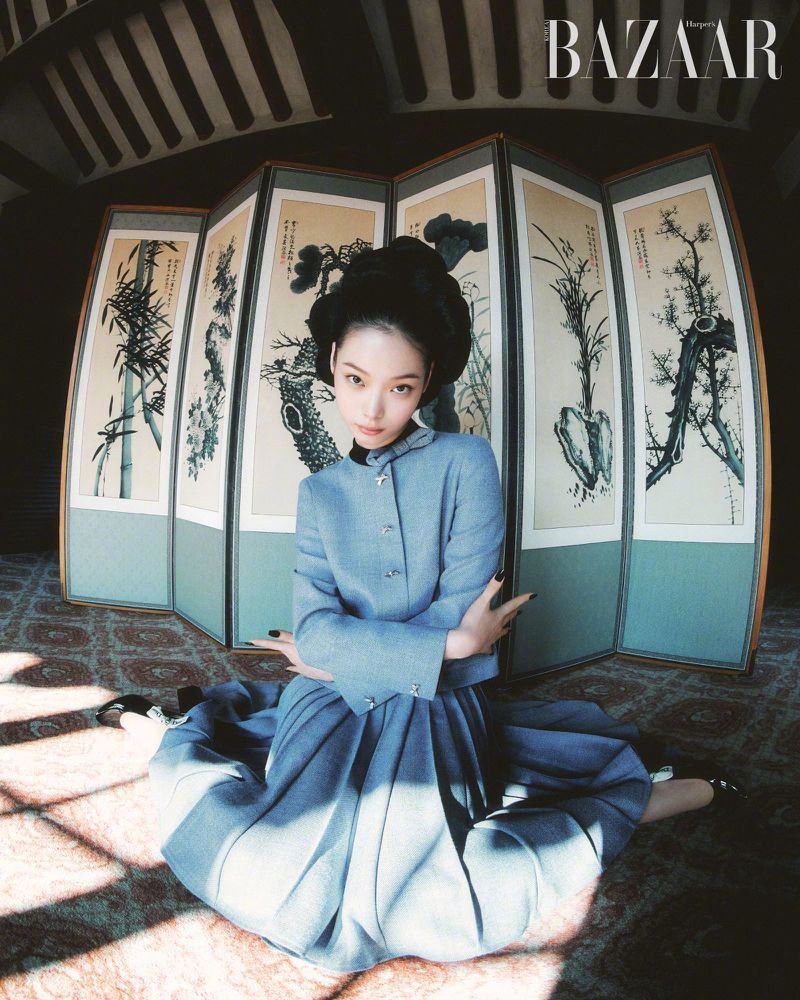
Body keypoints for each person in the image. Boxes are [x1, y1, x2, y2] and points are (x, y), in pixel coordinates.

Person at [96, 236, 746, 973]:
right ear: (331, 363)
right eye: (353, 378)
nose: (372, 408)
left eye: (400, 387)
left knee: (421, 895)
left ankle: (677, 796)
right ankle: (160, 736)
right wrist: (436, 645)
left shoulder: (468, 464)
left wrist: (386, 649)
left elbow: (443, 616)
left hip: (438, 704)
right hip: (329, 697)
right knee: (269, 869)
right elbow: (319, 625)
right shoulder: (319, 494)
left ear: (429, 380)